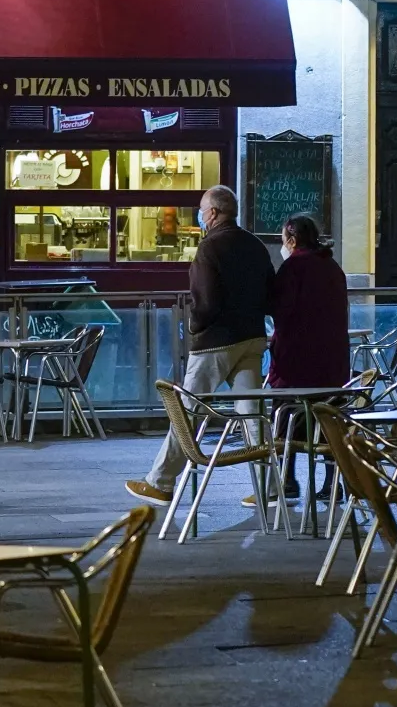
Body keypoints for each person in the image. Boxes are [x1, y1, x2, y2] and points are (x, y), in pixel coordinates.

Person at [127, 185, 274, 504]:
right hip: (252, 337)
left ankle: (160, 482)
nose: (200, 214)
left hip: (216, 342)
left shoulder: (210, 248)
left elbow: (204, 301)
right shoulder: (255, 244)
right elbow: (271, 292)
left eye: (202, 209)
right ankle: (270, 488)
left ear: (214, 213)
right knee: (252, 413)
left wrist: (194, 328)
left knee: (187, 410)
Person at [267, 214, 351, 388]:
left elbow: (282, 309)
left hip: (298, 362)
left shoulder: (293, 267)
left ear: (292, 241)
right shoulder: (331, 266)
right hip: (333, 361)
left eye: (284, 241)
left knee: (292, 412)